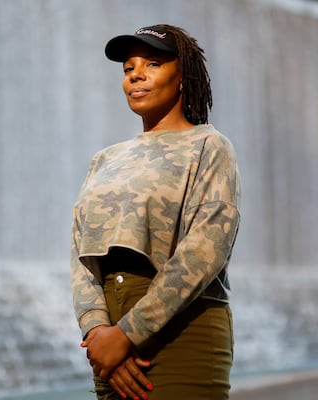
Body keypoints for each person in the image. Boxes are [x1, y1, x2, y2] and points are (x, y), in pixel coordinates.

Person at [71, 24, 240, 400]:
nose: (136, 75)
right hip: (110, 344)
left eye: (152, 63)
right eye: (128, 68)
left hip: (182, 330)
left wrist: (128, 332)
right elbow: (80, 249)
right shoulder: (105, 159)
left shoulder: (209, 147)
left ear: (183, 76)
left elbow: (204, 249)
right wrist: (96, 329)